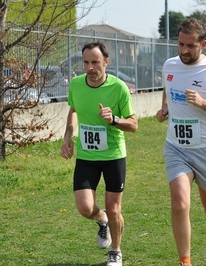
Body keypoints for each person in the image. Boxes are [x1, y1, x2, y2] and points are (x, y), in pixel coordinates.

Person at [156, 18, 206, 266]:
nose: (183, 51)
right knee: (180, 202)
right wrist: (164, 109)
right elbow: (168, 89)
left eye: (190, 46)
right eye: (180, 44)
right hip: (176, 148)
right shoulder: (170, 65)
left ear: (203, 44)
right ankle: (185, 262)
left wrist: (202, 103)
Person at [60, 41, 138, 266]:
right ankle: (101, 219)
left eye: (95, 62)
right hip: (87, 156)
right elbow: (73, 111)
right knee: (85, 208)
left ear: (106, 62)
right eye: (86, 62)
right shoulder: (76, 84)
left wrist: (113, 119)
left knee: (115, 208)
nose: (90, 67)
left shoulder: (119, 87)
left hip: (113, 155)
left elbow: (133, 125)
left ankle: (116, 251)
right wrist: (68, 137)